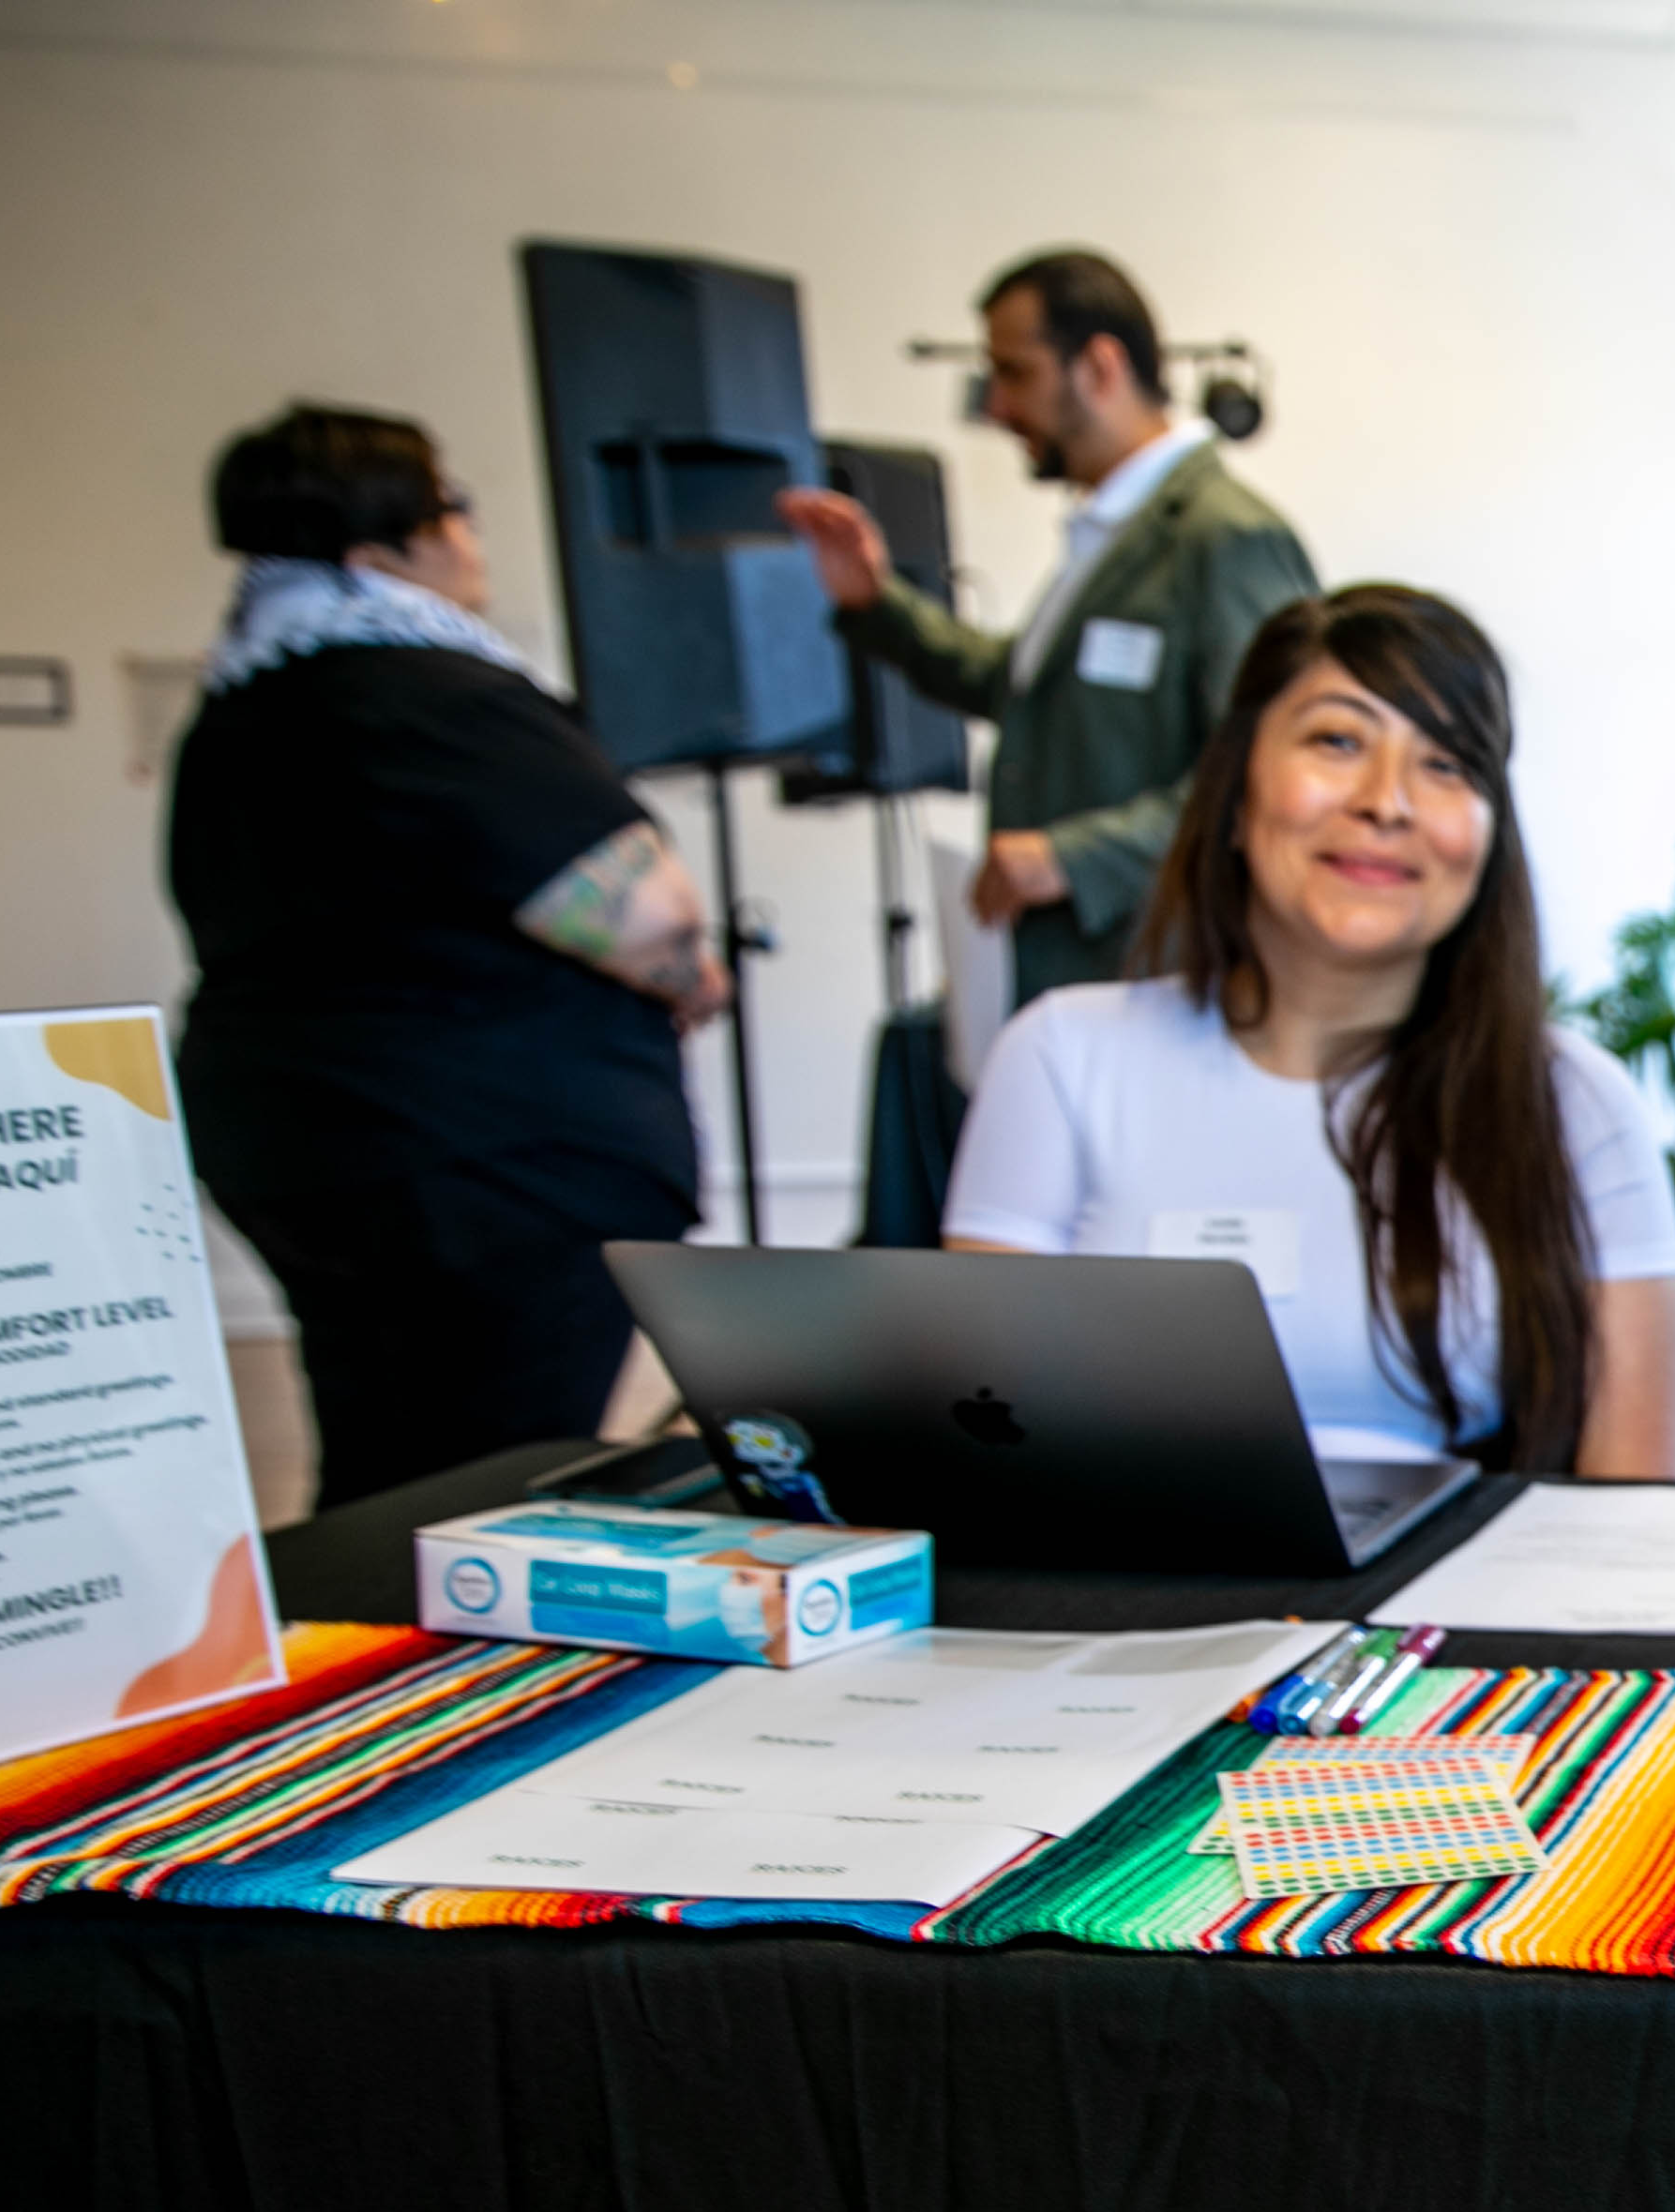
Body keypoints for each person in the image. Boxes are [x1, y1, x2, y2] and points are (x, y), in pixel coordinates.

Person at [941, 586, 1675, 1476]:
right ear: (1234, 785)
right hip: (1117, 1597)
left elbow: (1633, 1522)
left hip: (1445, 1607)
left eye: (1446, 764)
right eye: (1338, 741)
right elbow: (980, 1467)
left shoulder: (1577, 1103)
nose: (1387, 801)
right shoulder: (1059, 1056)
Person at [168, 403, 729, 1508]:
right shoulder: (429, 694)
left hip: (300, 1144)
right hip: (487, 1161)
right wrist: (697, 982)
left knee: (383, 1460)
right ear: (382, 552)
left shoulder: (243, 708)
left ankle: (360, 1666)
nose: (472, 532)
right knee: (496, 1482)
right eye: (452, 508)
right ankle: (462, 1677)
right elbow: (644, 914)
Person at [776, 248, 1317, 1006]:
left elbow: (1270, 774)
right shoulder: (1111, 535)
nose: (995, 407)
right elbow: (1026, 692)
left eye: (1014, 373)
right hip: (1069, 975)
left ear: (1099, 366)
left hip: (1155, 982)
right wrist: (875, 602)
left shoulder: (1223, 538)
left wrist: (1074, 857)